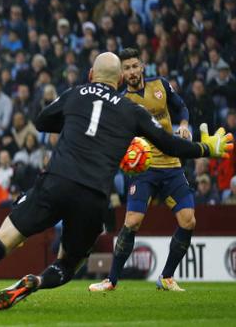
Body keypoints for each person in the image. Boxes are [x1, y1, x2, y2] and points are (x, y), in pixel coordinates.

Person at [0, 52, 233, 312]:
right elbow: (170, 144)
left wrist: (74, 119)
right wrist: (206, 148)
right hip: (93, 196)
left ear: (90, 74)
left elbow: (42, 121)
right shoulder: (132, 110)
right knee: (68, 264)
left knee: (6, 237)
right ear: (121, 79)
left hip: (55, 181)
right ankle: (37, 281)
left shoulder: (76, 93)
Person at [89, 48, 196, 293]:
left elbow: (181, 108)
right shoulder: (120, 100)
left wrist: (183, 125)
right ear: (121, 73)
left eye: (135, 66)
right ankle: (111, 280)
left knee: (188, 220)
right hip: (143, 168)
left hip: (171, 165)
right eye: (126, 68)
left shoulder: (161, 85)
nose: (132, 71)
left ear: (142, 66)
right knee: (133, 221)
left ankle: (167, 277)